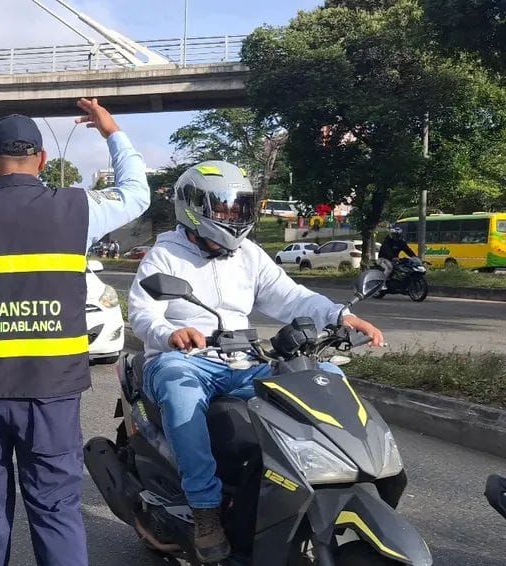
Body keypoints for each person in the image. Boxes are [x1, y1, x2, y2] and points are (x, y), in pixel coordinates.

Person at [0, 98, 151, 566]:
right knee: (57, 509)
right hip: (51, 393)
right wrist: (111, 131)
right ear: (42, 160)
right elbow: (136, 194)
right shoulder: (77, 208)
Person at [127, 161, 384, 563]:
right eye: (222, 207)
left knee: (326, 375)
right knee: (181, 393)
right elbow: (143, 313)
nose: (232, 216)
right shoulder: (165, 255)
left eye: (239, 207)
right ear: (193, 208)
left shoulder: (248, 254)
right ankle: (205, 510)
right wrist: (169, 333)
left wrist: (340, 316)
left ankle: (330, 478)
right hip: (185, 359)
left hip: (244, 359)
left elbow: (291, 297)